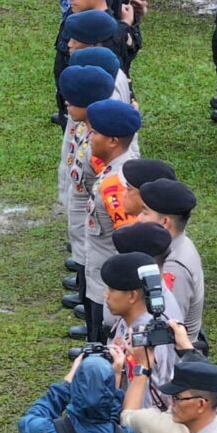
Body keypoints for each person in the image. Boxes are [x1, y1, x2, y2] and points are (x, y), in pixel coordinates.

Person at [56, 65, 117, 339]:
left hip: (100, 245)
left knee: (99, 303)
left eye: (73, 97)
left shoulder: (101, 148)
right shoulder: (88, 132)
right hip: (87, 237)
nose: (67, 102)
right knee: (89, 293)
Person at [82, 100, 141, 343]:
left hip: (108, 286)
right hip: (101, 280)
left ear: (113, 141)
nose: (89, 136)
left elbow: (128, 241)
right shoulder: (111, 168)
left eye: (95, 132)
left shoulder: (116, 184)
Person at [121, 319, 217, 433]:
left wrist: (143, 367)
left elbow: (127, 417)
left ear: (200, 404)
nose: (171, 403)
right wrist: (186, 347)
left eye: (177, 398)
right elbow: (213, 381)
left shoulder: (164, 429)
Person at [101, 252, 176, 408]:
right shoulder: (127, 320)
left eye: (112, 290)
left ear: (132, 296)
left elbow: (146, 400)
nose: (106, 295)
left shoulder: (147, 338)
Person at [136, 179, 205, 343]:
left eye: (145, 213)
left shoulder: (173, 266)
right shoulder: (177, 244)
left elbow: (168, 324)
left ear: (165, 222)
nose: (138, 218)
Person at [18, 355, 132, 433]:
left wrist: (65, 387)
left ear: (75, 389)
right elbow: (105, 426)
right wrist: (115, 381)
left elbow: (30, 419)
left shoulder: (44, 432)